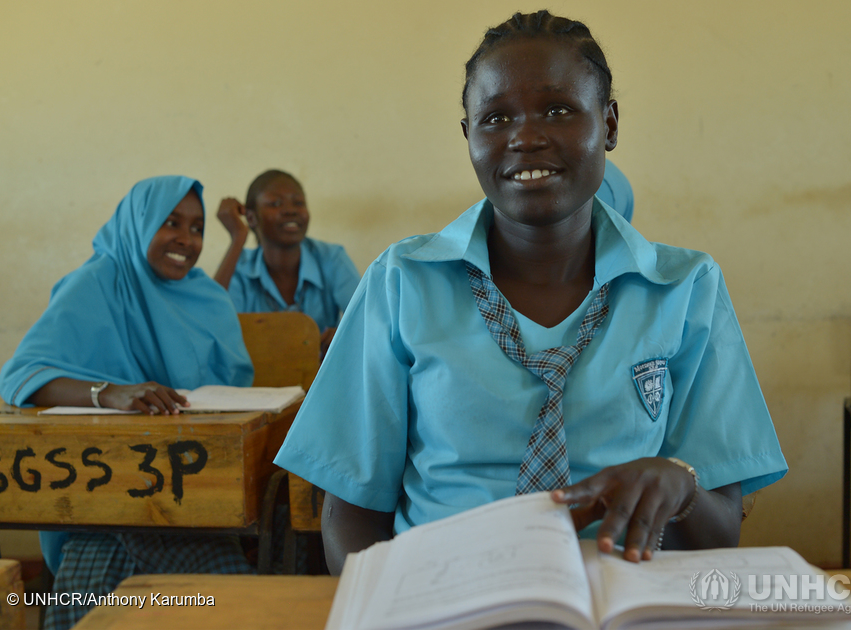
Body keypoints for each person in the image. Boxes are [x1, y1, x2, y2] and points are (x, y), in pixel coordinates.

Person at [274, 11, 787, 575]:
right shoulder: (403, 282)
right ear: (469, 137)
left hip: (622, 602)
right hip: (446, 600)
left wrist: (682, 487)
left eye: (559, 110)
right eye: (495, 118)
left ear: (610, 124)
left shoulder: (685, 289)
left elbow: (721, 534)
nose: (525, 136)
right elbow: (350, 516)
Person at [0, 175, 255, 629]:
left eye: (197, 228)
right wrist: (108, 394)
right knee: (99, 595)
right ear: (138, 223)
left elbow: (235, 391)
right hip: (102, 497)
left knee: (224, 601)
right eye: (170, 223)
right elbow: (23, 375)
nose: (186, 240)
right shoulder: (98, 281)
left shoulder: (208, 298)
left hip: (196, 498)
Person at [213, 169, 360, 357]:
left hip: (321, 379)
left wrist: (344, 336)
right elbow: (211, 326)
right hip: (256, 382)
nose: (291, 210)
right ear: (251, 218)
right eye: (276, 203)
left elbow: (367, 320)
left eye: (298, 203)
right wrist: (237, 237)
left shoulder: (331, 258)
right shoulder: (239, 267)